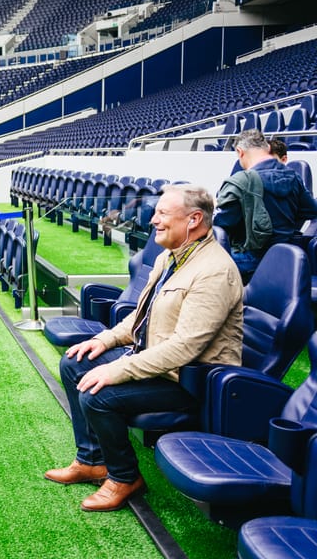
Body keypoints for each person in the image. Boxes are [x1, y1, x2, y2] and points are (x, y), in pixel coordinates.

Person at [44, 184, 243, 512]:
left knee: (97, 395)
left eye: (163, 213)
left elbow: (184, 349)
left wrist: (115, 369)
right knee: (74, 362)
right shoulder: (170, 256)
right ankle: (92, 460)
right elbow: (141, 315)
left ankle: (124, 478)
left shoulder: (215, 272)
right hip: (155, 360)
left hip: (190, 379)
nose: (153, 220)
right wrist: (103, 340)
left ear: (194, 219)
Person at [214, 128, 317, 281]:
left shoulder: (241, 181)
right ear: (268, 148)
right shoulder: (293, 177)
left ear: (240, 152)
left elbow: (221, 224)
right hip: (285, 256)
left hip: (250, 258)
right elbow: (311, 210)